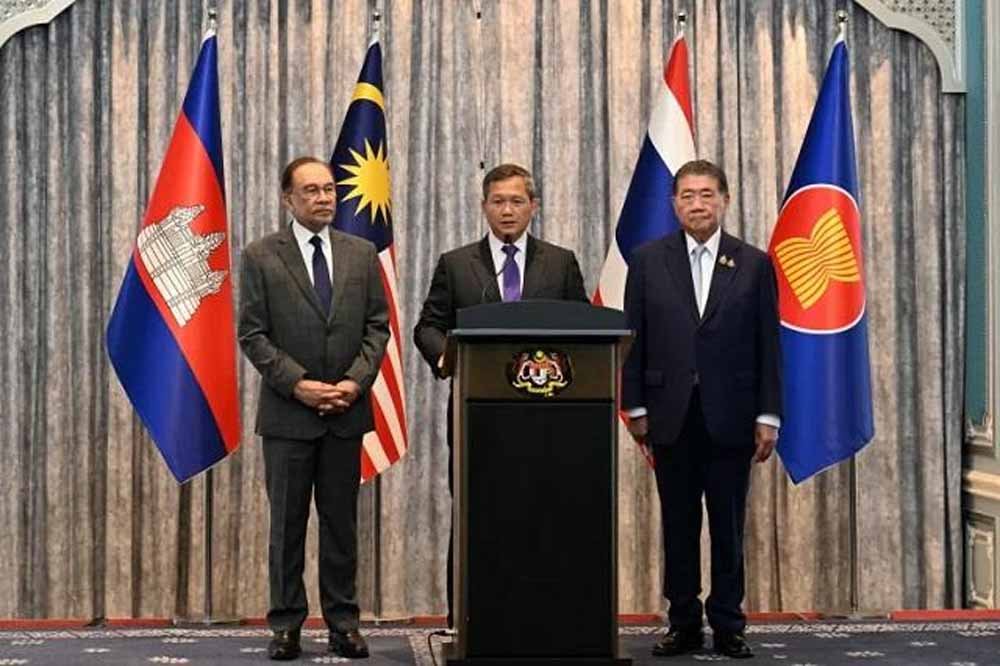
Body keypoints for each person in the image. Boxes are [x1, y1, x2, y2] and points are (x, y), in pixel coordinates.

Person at [413, 163, 589, 626]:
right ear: (483, 206)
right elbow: (427, 326)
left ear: (534, 206)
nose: (507, 210)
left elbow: (583, 330)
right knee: (477, 514)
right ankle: (469, 620)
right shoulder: (456, 263)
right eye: (498, 201)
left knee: (545, 513)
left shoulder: (560, 262)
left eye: (516, 201)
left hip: (548, 417)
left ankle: (544, 618)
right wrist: (445, 357)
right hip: (477, 417)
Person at [622, 159, 781, 659]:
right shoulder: (647, 261)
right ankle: (684, 622)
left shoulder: (754, 263)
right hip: (669, 415)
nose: (697, 203)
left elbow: (769, 345)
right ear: (674, 204)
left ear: (725, 200)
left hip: (732, 415)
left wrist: (768, 415)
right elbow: (633, 339)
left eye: (707, 194)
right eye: (687, 195)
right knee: (679, 524)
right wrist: (634, 405)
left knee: (728, 527)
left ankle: (729, 623)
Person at [238, 156, 389, 661]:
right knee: (286, 526)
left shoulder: (361, 253)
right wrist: (298, 384)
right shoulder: (260, 256)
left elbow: (377, 328)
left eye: (329, 189)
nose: (324, 198)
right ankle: (285, 626)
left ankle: (344, 623)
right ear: (288, 199)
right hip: (289, 416)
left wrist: (353, 383)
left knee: (341, 526)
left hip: (346, 412)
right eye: (311, 191)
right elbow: (252, 334)